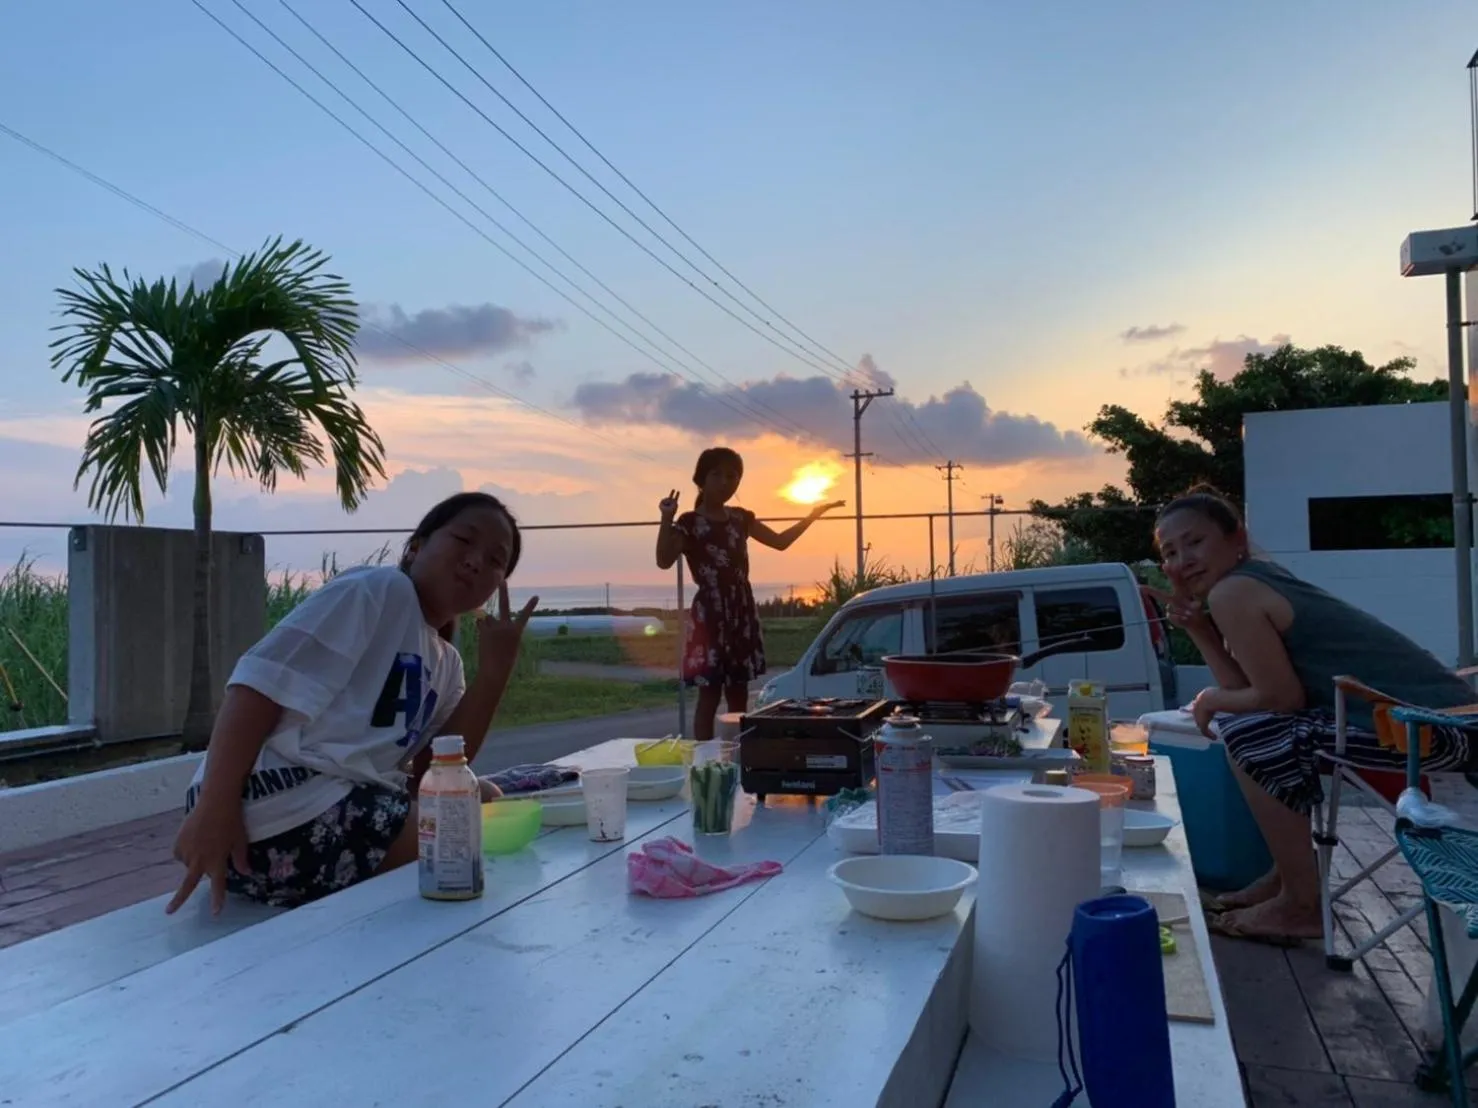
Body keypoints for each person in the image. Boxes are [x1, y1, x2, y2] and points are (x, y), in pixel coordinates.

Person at [167, 491, 538, 914]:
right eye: (463, 540)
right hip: (271, 808)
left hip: (323, 812)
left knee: (479, 800)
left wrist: (495, 671)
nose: (476, 560)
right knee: (461, 831)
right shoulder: (381, 590)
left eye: (495, 560)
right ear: (416, 545)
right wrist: (215, 806)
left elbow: (435, 775)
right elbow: (257, 684)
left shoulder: (446, 663)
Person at [1153, 485, 1476, 944]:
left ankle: (1301, 903)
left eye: (1195, 542)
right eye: (1170, 551)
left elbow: (1278, 698)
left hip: (1435, 729)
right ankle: (1287, 878)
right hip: (1441, 721)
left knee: (1253, 730)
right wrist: (1198, 629)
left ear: (1236, 538)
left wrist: (1207, 700)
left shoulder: (1235, 591)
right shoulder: (1248, 583)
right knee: (1246, 721)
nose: (1182, 559)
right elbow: (1246, 688)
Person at [655, 447, 843, 741]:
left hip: (741, 611)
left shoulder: (742, 519)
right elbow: (664, 560)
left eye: (733, 476)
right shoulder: (690, 523)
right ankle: (705, 764)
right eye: (717, 474)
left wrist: (812, 516)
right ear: (700, 480)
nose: (726, 482)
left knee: (739, 693)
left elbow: (780, 542)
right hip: (711, 613)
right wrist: (666, 519)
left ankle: (739, 757)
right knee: (709, 693)